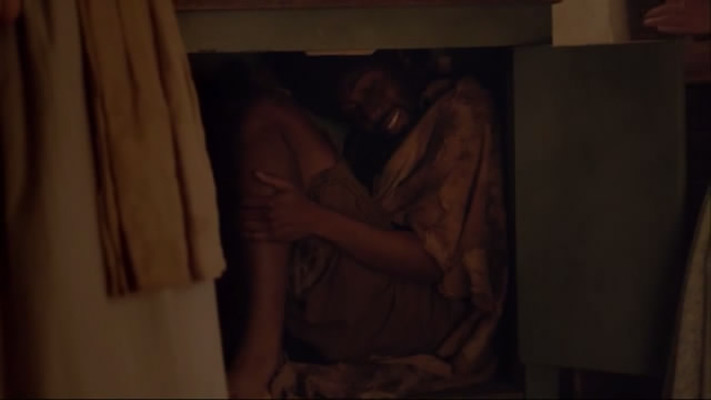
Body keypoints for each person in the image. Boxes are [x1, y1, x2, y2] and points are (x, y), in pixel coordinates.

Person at [227, 55, 507, 398]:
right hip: (377, 301)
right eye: (355, 110)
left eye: (371, 88)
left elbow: (431, 262)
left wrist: (314, 219)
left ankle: (259, 360)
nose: (372, 113)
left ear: (400, 61)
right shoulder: (371, 144)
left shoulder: (458, 111)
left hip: (431, 321)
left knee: (268, 114)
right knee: (252, 116)